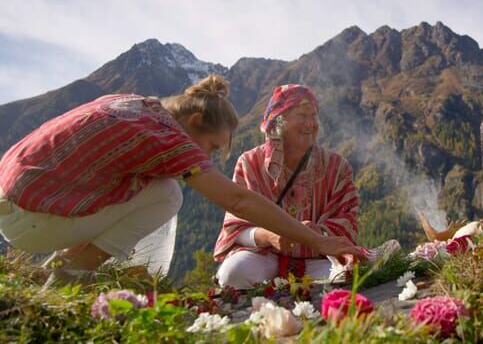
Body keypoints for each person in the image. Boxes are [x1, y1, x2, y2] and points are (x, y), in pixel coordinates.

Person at [0, 75, 364, 285]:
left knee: (149, 185)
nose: (203, 159)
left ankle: (57, 269)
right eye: (209, 147)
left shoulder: (133, 103)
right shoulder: (168, 136)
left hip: (15, 202)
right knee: (167, 194)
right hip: (32, 217)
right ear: (192, 124)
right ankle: (73, 274)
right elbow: (239, 203)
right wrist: (315, 239)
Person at [214, 84, 369, 289]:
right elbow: (236, 226)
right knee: (233, 274)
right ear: (279, 121)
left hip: (318, 258)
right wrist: (269, 235)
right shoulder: (250, 163)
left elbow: (348, 221)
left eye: (314, 116)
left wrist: (317, 233)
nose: (311, 124)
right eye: (303, 116)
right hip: (266, 255)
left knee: (345, 276)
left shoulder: (336, 167)